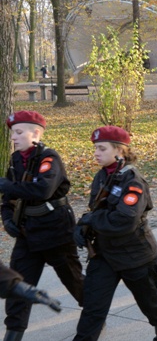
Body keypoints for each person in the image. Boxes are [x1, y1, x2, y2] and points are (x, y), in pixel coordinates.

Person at [73, 126, 157, 341]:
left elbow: (125, 220)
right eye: (95, 148)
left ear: (119, 150)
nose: (96, 153)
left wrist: (93, 220)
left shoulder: (133, 181)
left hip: (135, 254)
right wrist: (83, 226)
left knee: (150, 301)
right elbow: (97, 209)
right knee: (93, 306)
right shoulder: (102, 175)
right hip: (105, 253)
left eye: (101, 148)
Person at [0, 110, 84, 341]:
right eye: (12, 134)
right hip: (27, 233)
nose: (14, 138)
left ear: (35, 133)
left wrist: (5, 185)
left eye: (18, 132)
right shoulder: (16, 160)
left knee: (74, 280)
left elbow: (42, 190)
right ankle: (13, 335)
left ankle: (93, 318)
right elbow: (8, 200)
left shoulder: (49, 158)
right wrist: (7, 219)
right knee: (18, 284)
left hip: (56, 232)